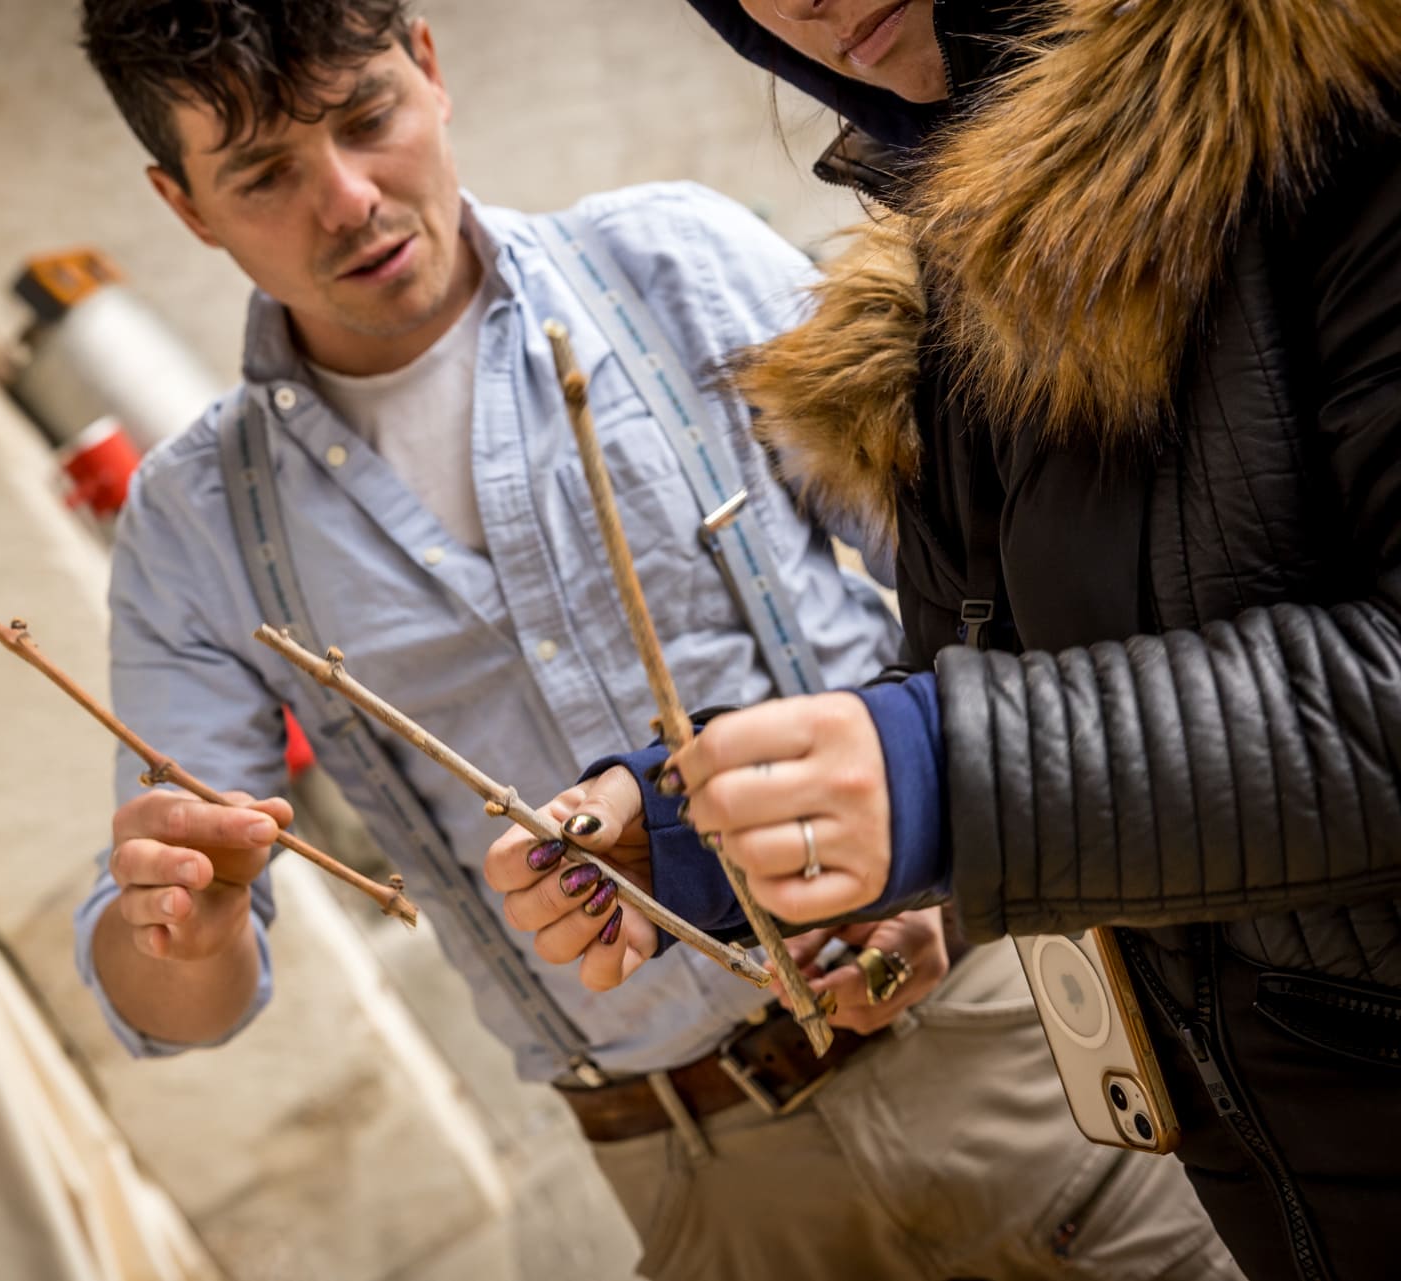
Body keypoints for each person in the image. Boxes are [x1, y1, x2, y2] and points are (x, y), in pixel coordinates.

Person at [70, 2, 1235, 1277]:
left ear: (430, 66)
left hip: (1003, 1040)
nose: (347, 199)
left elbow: (1008, 616)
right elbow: (181, 1007)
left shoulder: (673, 266)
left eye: (366, 119)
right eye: (264, 176)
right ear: (183, 204)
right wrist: (179, 922)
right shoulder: (196, 530)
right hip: (706, 1178)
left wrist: (953, 881)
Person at [498, 1, 1401, 1277]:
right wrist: (728, 826)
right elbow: (1049, 693)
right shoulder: (945, 292)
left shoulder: (1347, 93)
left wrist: (946, 778)